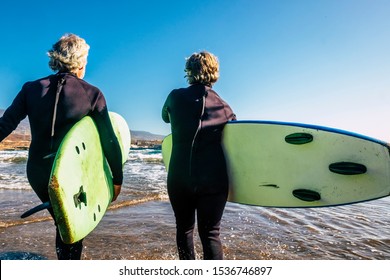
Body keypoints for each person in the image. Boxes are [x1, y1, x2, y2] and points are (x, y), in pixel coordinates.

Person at [0, 33, 123, 260]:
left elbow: (5, 125)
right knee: (72, 229)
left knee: (64, 223)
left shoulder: (31, 88)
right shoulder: (92, 94)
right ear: (81, 61)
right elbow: (109, 140)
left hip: (37, 172)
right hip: (70, 172)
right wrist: (117, 179)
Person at [162, 51, 236, 260]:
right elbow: (236, 138)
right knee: (210, 234)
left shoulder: (174, 96)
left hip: (179, 177)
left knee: (184, 229)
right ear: (214, 73)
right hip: (213, 178)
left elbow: (165, 117)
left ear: (189, 71)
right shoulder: (224, 107)